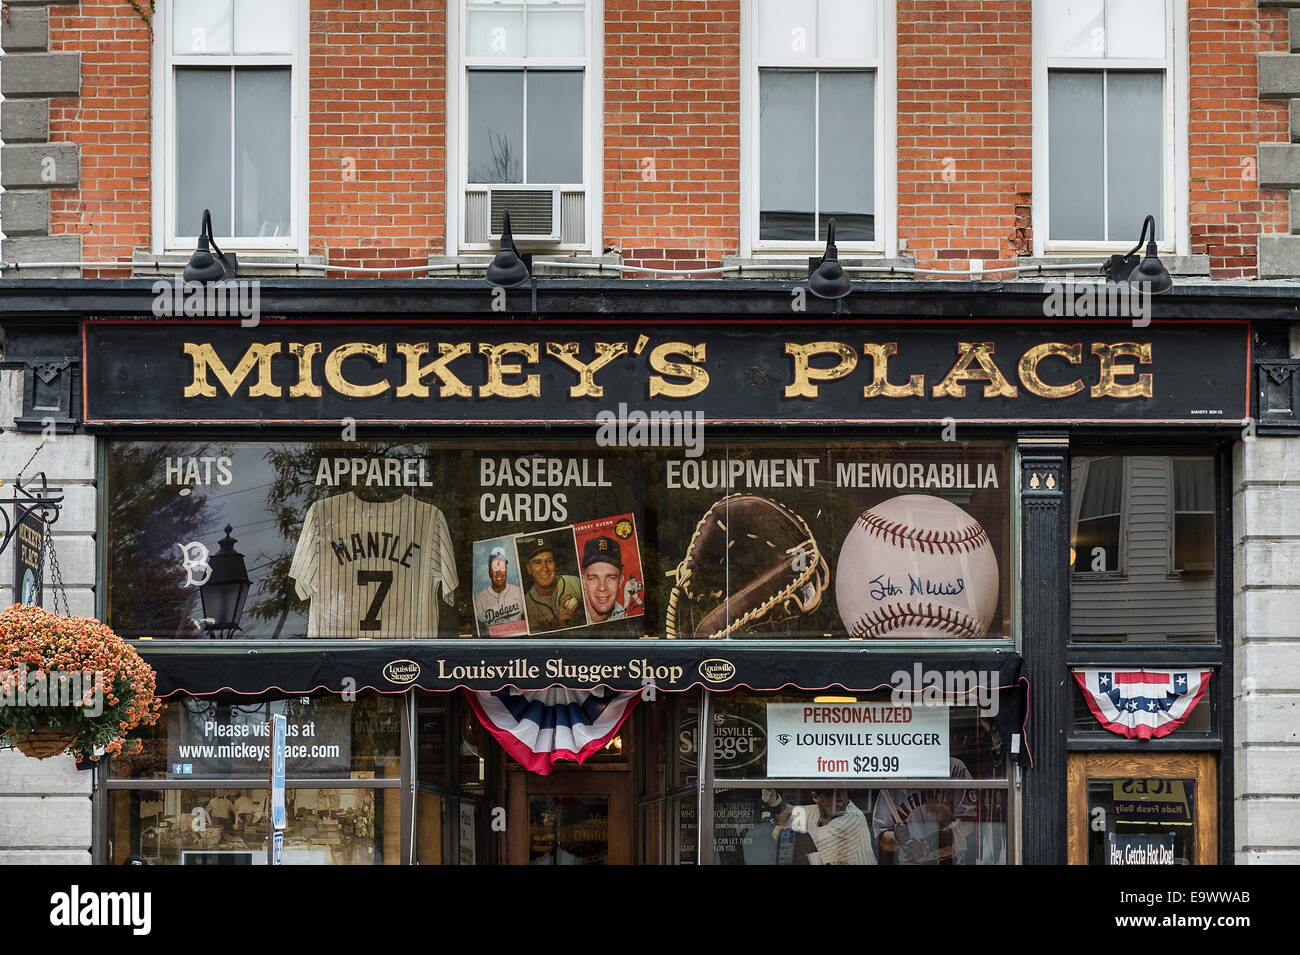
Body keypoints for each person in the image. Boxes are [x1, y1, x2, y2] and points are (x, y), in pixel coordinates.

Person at [871, 757, 977, 864]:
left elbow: (967, 822)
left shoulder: (953, 767)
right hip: (912, 862)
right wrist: (896, 838)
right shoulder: (894, 779)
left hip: (950, 858)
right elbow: (881, 839)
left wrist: (928, 844)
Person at [764, 787, 876, 865]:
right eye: (831, 793)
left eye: (843, 791)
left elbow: (798, 844)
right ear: (816, 797)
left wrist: (769, 828)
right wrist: (773, 798)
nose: (841, 798)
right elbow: (787, 812)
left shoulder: (853, 819)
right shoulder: (815, 813)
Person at [521, 536, 585, 632]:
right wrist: (556, 625)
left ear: (555, 563)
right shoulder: (527, 605)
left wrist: (580, 614)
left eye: (549, 561)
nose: (545, 568)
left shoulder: (575, 583)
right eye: (537, 562)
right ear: (529, 569)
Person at [474, 546, 526, 636]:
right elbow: (480, 630)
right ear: (489, 573)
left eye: (502, 567)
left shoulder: (519, 592)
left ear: (506, 571)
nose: (499, 572)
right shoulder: (480, 598)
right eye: (495, 568)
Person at [580, 535, 628, 623]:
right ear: (583, 582)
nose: (602, 587)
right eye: (594, 578)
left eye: (610, 578)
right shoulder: (575, 618)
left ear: (620, 581)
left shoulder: (620, 613)